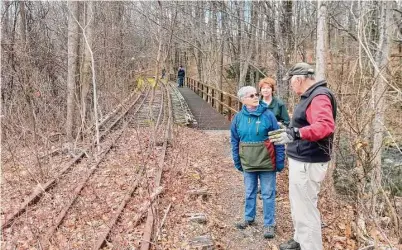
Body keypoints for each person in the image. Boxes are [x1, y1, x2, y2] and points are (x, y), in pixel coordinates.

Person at [268, 63, 337, 250]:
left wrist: (295, 134)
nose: (291, 86)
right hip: (303, 159)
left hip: (309, 161)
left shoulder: (319, 96)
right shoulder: (310, 96)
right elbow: (306, 124)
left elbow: (325, 126)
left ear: (298, 79)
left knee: (306, 210)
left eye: (291, 82)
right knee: (300, 205)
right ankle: (299, 240)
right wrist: (289, 131)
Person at [230, 86, 285, 239]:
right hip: (248, 162)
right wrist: (237, 160)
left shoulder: (268, 115)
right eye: (251, 95)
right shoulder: (238, 118)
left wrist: (280, 161)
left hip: (267, 162)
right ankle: (249, 217)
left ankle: (269, 224)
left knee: (268, 193)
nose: (256, 97)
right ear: (243, 100)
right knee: (249, 191)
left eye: (256, 94)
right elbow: (234, 141)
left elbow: (278, 139)